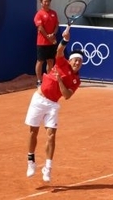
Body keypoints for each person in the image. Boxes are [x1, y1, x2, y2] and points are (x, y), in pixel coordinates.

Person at [25, 26, 84, 182]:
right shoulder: (61, 62)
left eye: (80, 61)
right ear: (70, 60)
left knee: (51, 135)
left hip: (52, 105)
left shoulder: (76, 80)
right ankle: (31, 160)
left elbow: (66, 96)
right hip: (38, 99)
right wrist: (65, 39)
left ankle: (48, 168)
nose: (77, 62)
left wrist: (59, 81)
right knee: (33, 132)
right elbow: (59, 51)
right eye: (75, 60)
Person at [34, 0, 59, 87]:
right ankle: (39, 81)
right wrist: (48, 36)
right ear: (41, 3)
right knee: (40, 61)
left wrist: (53, 34)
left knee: (50, 61)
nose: (47, 3)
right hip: (42, 42)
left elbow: (56, 25)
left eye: (48, 1)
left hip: (52, 42)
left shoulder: (54, 13)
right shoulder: (38, 14)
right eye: (45, 1)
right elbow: (40, 28)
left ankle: (48, 79)